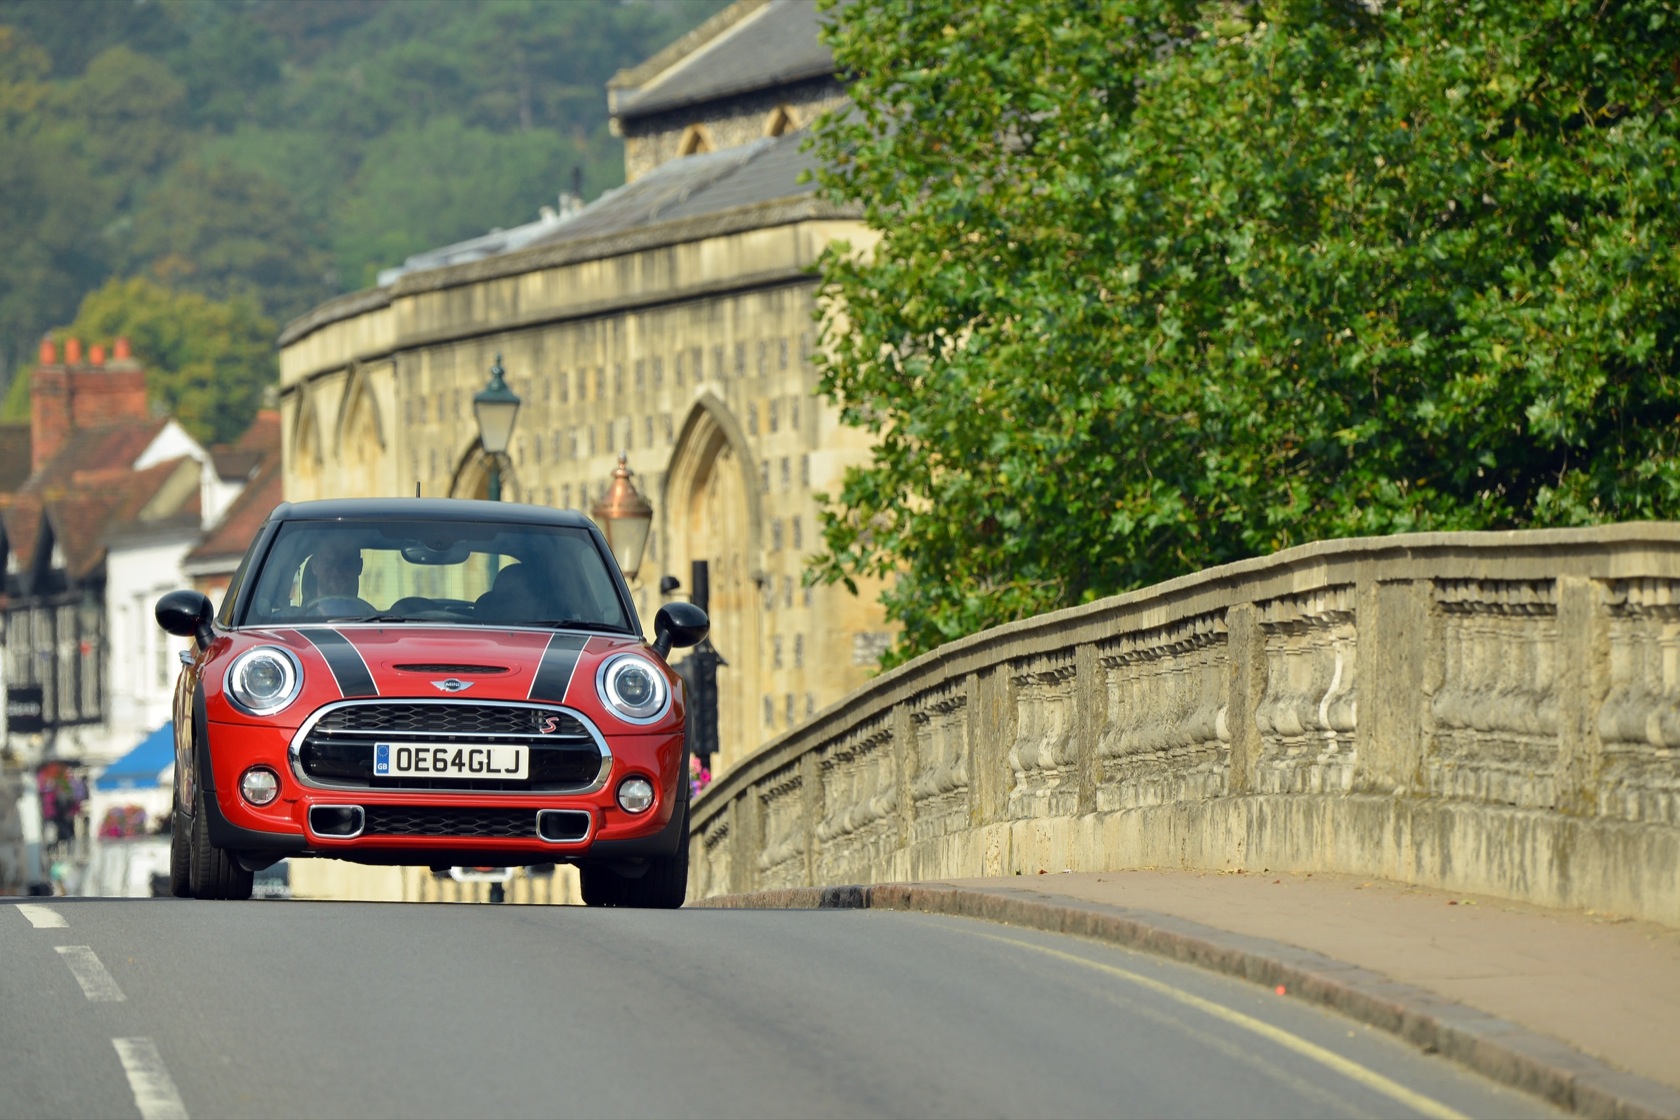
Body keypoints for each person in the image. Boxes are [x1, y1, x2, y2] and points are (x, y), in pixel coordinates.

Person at [306, 541, 374, 614]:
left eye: (347, 563)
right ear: (314, 566)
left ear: (360, 566)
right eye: (328, 563)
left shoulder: (378, 619)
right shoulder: (299, 618)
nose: (337, 572)